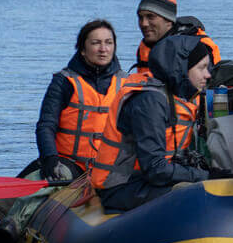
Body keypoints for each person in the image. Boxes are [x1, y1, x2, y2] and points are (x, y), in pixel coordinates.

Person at [91, 35, 221, 212]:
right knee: (197, 196)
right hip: (121, 188)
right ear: (182, 69)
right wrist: (207, 176)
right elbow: (156, 169)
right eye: (202, 68)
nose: (208, 75)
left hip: (142, 181)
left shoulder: (171, 95)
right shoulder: (149, 102)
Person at [34, 19, 124, 179]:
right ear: (83, 49)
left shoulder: (126, 83)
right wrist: (50, 158)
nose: (103, 49)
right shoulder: (64, 81)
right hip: (69, 165)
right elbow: (46, 125)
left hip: (111, 166)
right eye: (96, 43)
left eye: (108, 43)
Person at [130, 0, 220, 77]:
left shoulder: (193, 48)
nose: (144, 23)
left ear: (169, 21)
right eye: (140, 17)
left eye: (151, 17)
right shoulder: (145, 46)